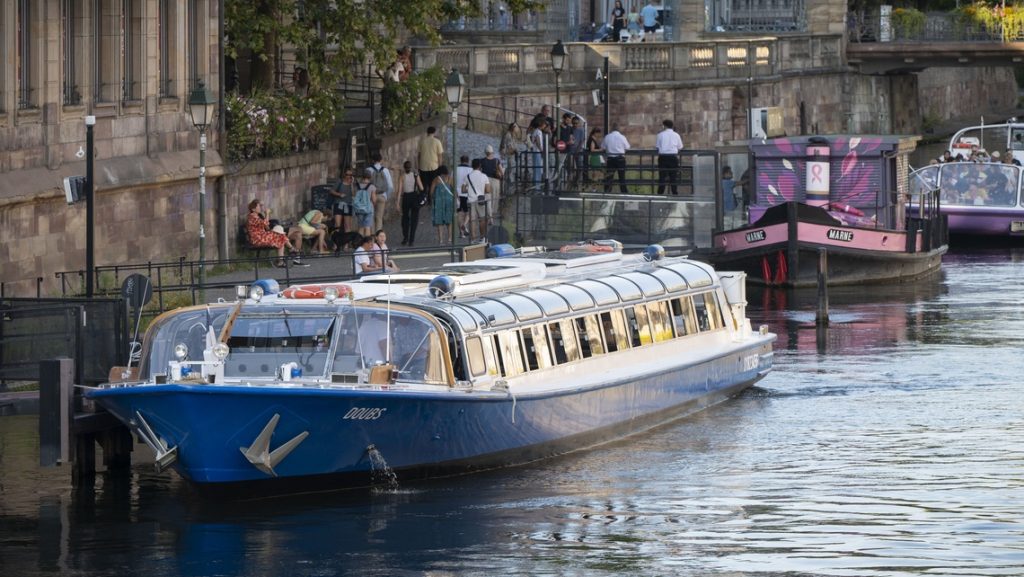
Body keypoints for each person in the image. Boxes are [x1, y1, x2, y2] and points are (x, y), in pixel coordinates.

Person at [245, 199, 303, 267]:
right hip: (257, 239)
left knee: (281, 237)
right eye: (259, 206)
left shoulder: (256, 216)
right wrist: (267, 213)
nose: (260, 208)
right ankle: (290, 250)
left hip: (262, 236)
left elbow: (266, 227)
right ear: (253, 209)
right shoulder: (252, 217)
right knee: (280, 236)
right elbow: (265, 223)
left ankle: (283, 259)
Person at [463, 158, 492, 242]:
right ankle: (482, 238)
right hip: (480, 200)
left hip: (470, 201)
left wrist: (469, 189)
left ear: (472, 166)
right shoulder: (484, 176)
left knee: (472, 220)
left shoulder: (468, 176)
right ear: (480, 166)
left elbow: (463, 190)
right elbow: (488, 190)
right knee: (482, 219)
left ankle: (472, 239)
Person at [397, 160, 424, 246]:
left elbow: (399, 191)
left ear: (404, 168)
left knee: (405, 218)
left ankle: (405, 237)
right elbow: (421, 188)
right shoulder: (416, 175)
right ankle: (411, 240)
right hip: (414, 196)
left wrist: (397, 202)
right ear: (411, 167)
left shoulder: (402, 176)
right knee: (414, 219)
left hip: (406, 197)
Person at [655, 119, 684, 195]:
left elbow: (657, 147)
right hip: (673, 157)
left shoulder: (660, 135)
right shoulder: (676, 135)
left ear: (664, 126)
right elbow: (680, 147)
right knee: (673, 176)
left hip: (663, 157)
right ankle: (674, 192)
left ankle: (660, 193)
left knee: (662, 176)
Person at [369, 151, 394, 233]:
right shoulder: (385, 170)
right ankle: (378, 235)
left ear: (372, 160)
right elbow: (390, 186)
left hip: (371, 196)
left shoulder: (368, 170)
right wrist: (386, 196)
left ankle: (372, 235)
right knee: (379, 217)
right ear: (381, 160)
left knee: (371, 216)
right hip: (382, 195)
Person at [602, 123, 631, 194]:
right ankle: (624, 193)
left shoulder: (607, 137)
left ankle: (607, 192)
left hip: (610, 159)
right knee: (622, 177)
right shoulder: (622, 137)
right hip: (620, 159)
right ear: (618, 129)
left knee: (609, 177)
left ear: (612, 129)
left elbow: (603, 147)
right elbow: (627, 147)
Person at [431, 165, 455, 244]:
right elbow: (454, 190)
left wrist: (433, 197)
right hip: (449, 201)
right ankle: (450, 238)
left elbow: (431, 192)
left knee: (439, 221)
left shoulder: (436, 179)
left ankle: (441, 240)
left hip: (439, 202)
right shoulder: (450, 178)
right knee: (449, 220)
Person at [331, 167, 355, 242]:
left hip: (348, 205)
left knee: (347, 226)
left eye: (351, 175)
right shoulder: (340, 181)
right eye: (348, 174)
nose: (349, 176)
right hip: (338, 204)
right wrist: (339, 194)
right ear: (344, 174)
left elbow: (354, 194)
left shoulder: (353, 183)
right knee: (337, 225)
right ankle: (335, 243)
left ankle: (346, 244)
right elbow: (331, 191)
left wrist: (352, 184)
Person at [417, 126, 444, 194]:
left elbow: (419, 155)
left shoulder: (422, 141)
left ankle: (423, 197)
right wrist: (440, 166)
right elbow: (440, 155)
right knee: (433, 184)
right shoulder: (437, 142)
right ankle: (430, 197)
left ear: (427, 132)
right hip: (434, 166)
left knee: (424, 184)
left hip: (423, 166)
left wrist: (418, 166)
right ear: (434, 132)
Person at [352, 168, 378, 237]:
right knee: (367, 227)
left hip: (359, 209)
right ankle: (367, 242)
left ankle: (359, 242)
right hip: (368, 209)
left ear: (362, 176)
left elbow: (354, 196)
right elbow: (374, 199)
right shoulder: (372, 186)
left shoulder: (357, 186)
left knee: (361, 227)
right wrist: (374, 204)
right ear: (370, 177)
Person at [454, 155, 472, 239]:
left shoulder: (455, 169)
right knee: (468, 213)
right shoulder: (471, 170)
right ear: (468, 161)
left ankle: (461, 233)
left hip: (457, 194)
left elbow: (452, 182)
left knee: (459, 213)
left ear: (460, 160)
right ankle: (464, 225)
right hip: (467, 194)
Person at [527, 116, 546, 186]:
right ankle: (537, 185)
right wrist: (541, 150)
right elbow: (538, 141)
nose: (545, 125)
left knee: (537, 168)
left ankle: (537, 184)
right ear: (541, 124)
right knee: (537, 168)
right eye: (544, 124)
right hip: (537, 152)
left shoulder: (536, 131)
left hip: (536, 152)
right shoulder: (538, 131)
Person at [569, 116, 586, 186]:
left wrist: (577, 150)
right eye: (574, 123)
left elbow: (582, 141)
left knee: (580, 167)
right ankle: (571, 181)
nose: (575, 125)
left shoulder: (581, 130)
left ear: (578, 123)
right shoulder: (570, 129)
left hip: (578, 150)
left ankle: (577, 181)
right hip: (571, 150)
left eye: (576, 123)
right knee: (570, 167)